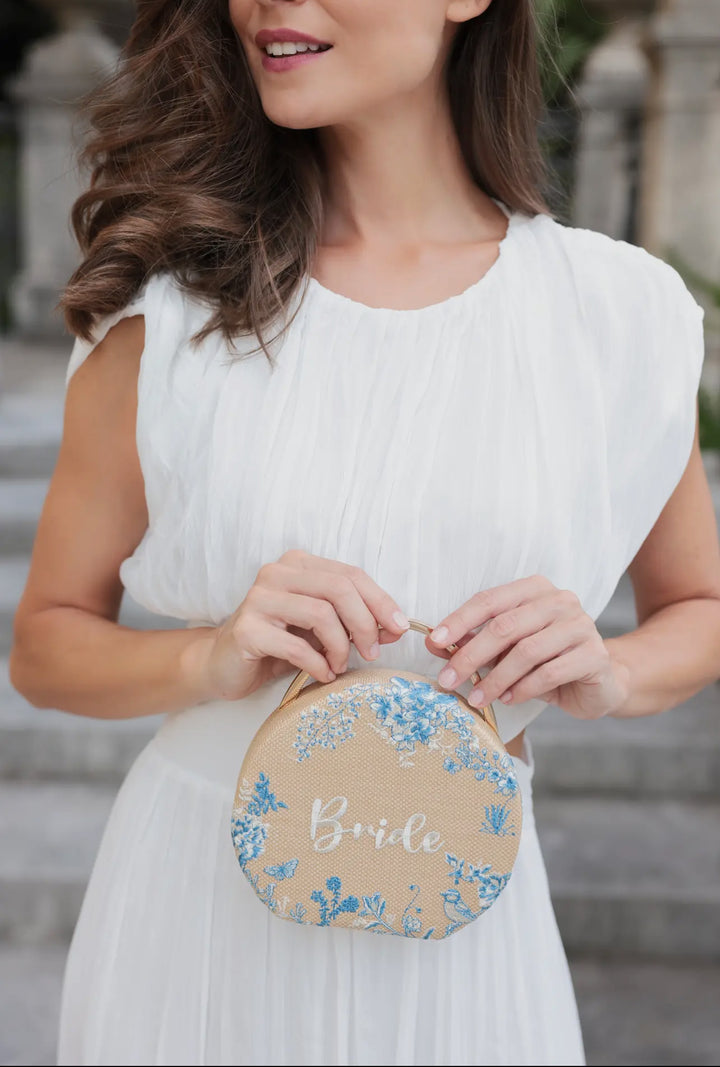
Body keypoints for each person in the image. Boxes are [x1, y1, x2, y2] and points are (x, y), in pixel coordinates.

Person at [9, 0, 720, 1064]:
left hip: (464, 917)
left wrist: (608, 667)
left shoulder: (615, 316)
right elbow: (45, 643)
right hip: (202, 920)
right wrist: (210, 653)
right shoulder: (170, 314)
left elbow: (700, 610)